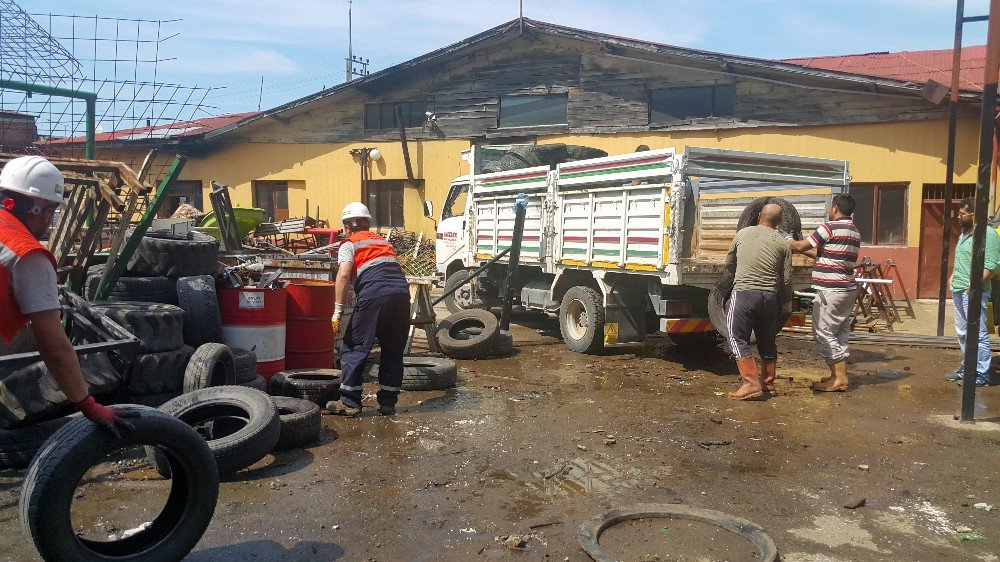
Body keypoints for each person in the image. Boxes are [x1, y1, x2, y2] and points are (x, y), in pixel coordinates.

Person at [0, 155, 133, 435]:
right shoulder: (27, 255)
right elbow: (55, 347)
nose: (51, 220)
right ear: (41, 209)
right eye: (53, 211)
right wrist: (88, 405)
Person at [327, 202, 411, 416]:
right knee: (393, 350)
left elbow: (344, 275)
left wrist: (337, 310)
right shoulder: (382, 242)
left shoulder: (349, 243)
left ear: (347, 226)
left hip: (375, 295)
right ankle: (388, 403)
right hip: (401, 296)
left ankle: (349, 402)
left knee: (355, 346)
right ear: (367, 224)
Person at [789, 193, 861, 392]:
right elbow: (823, 254)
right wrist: (801, 248)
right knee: (840, 333)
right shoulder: (854, 231)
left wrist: (785, 240)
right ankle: (837, 376)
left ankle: (840, 379)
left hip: (831, 290)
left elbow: (802, 245)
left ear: (835, 208)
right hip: (847, 289)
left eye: (830, 207)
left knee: (823, 332)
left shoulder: (830, 227)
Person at [723, 203, 792, 400]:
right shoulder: (783, 243)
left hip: (744, 293)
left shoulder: (743, 233)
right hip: (770, 297)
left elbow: (729, 262)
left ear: (759, 215)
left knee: (736, 338)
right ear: (779, 222)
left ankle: (751, 383)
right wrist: (786, 303)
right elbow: (786, 279)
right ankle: (767, 384)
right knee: (766, 339)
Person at [943, 197, 1000, 387]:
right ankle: (967, 366)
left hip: (974, 291)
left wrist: (974, 285)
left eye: (962, 214)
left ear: (974, 215)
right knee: (962, 331)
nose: (958, 217)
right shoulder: (964, 233)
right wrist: (952, 276)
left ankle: (981, 373)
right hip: (959, 288)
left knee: (978, 332)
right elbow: (962, 259)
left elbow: (991, 264)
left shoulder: (987, 233)